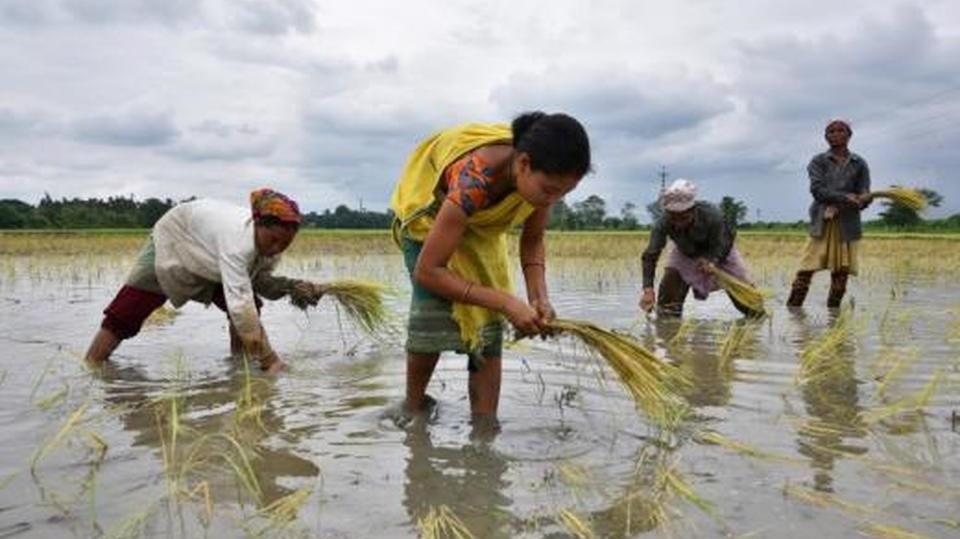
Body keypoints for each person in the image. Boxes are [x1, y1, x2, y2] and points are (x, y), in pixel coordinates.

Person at [390, 111, 591, 422]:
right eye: (550, 190)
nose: (553, 200)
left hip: (481, 230)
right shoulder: (475, 176)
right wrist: (507, 302)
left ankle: (484, 428)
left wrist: (540, 297)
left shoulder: (539, 188)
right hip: (430, 224)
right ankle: (412, 409)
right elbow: (428, 271)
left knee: (488, 329)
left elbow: (532, 241)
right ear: (523, 164)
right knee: (430, 315)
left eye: (563, 193)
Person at [84, 188, 318, 373]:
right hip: (176, 237)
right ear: (257, 225)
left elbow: (257, 281)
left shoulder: (265, 246)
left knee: (250, 309)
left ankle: (239, 368)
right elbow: (241, 307)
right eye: (273, 240)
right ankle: (91, 366)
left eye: (285, 243)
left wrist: (292, 287)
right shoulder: (237, 244)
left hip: (211, 252)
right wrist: (270, 360)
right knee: (128, 310)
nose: (277, 248)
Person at [639, 179, 761, 318]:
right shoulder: (662, 223)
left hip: (719, 251)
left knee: (752, 306)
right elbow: (650, 255)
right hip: (685, 252)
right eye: (673, 217)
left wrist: (712, 260)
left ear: (693, 210)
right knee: (668, 297)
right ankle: (667, 326)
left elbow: (726, 239)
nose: (678, 224)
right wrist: (648, 290)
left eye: (683, 217)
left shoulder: (712, 215)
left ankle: (755, 315)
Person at [787, 119, 871, 308]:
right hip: (822, 221)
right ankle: (793, 311)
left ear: (849, 135)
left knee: (841, 275)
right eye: (831, 132)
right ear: (826, 137)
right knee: (805, 270)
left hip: (847, 224)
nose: (835, 134)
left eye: (840, 130)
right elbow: (818, 191)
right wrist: (846, 197)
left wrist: (862, 199)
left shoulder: (859, 163)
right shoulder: (819, 161)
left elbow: (865, 194)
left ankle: (834, 318)